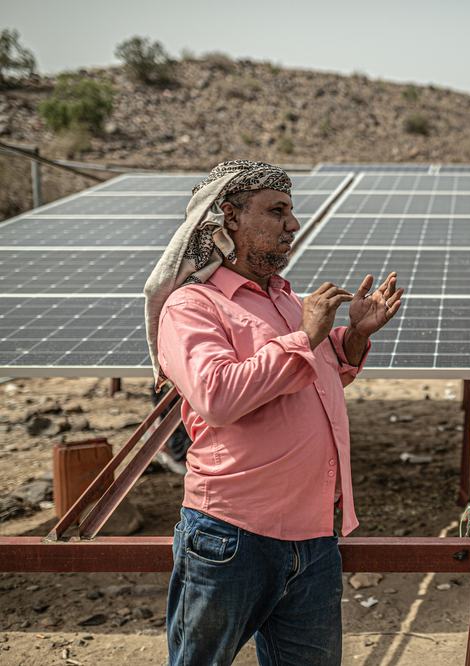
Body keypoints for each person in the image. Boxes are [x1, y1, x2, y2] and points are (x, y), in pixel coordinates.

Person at [143, 160, 403, 665]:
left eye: (292, 211)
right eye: (277, 211)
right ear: (229, 217)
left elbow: (314, 383)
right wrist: (305, 337)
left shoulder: (289, 301)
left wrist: (353, 338)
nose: (293, 225)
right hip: (231, 534)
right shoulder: (192, 307)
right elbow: (217, 397)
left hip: (313, 537)